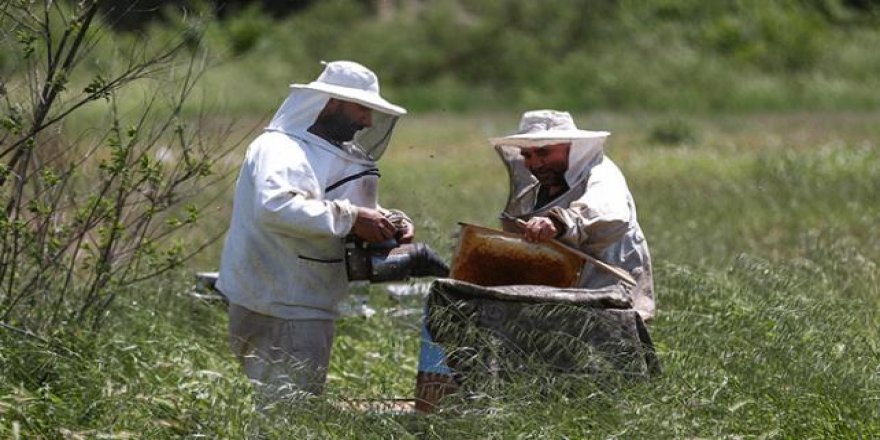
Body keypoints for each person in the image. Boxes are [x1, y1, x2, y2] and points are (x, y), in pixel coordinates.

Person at [216, 60, 414, 403]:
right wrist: (354, 219)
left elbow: (329, 201)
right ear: (331, 102)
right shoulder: (282, 149)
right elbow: (276, 207)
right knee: (289, 416)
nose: (368, 121)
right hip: (283, 304)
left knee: (283, 410)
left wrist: (388, 219)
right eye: (362, 109)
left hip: (295, 299)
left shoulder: (321, 151)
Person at [491, 109, 655, 321]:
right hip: (563, 299)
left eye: (544, 152)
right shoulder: (542, 187)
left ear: (573, 148)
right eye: (527, 155)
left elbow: (609, 214)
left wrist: (557, 223)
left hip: (609, 297)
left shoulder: (604, 175)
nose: (535, 164)